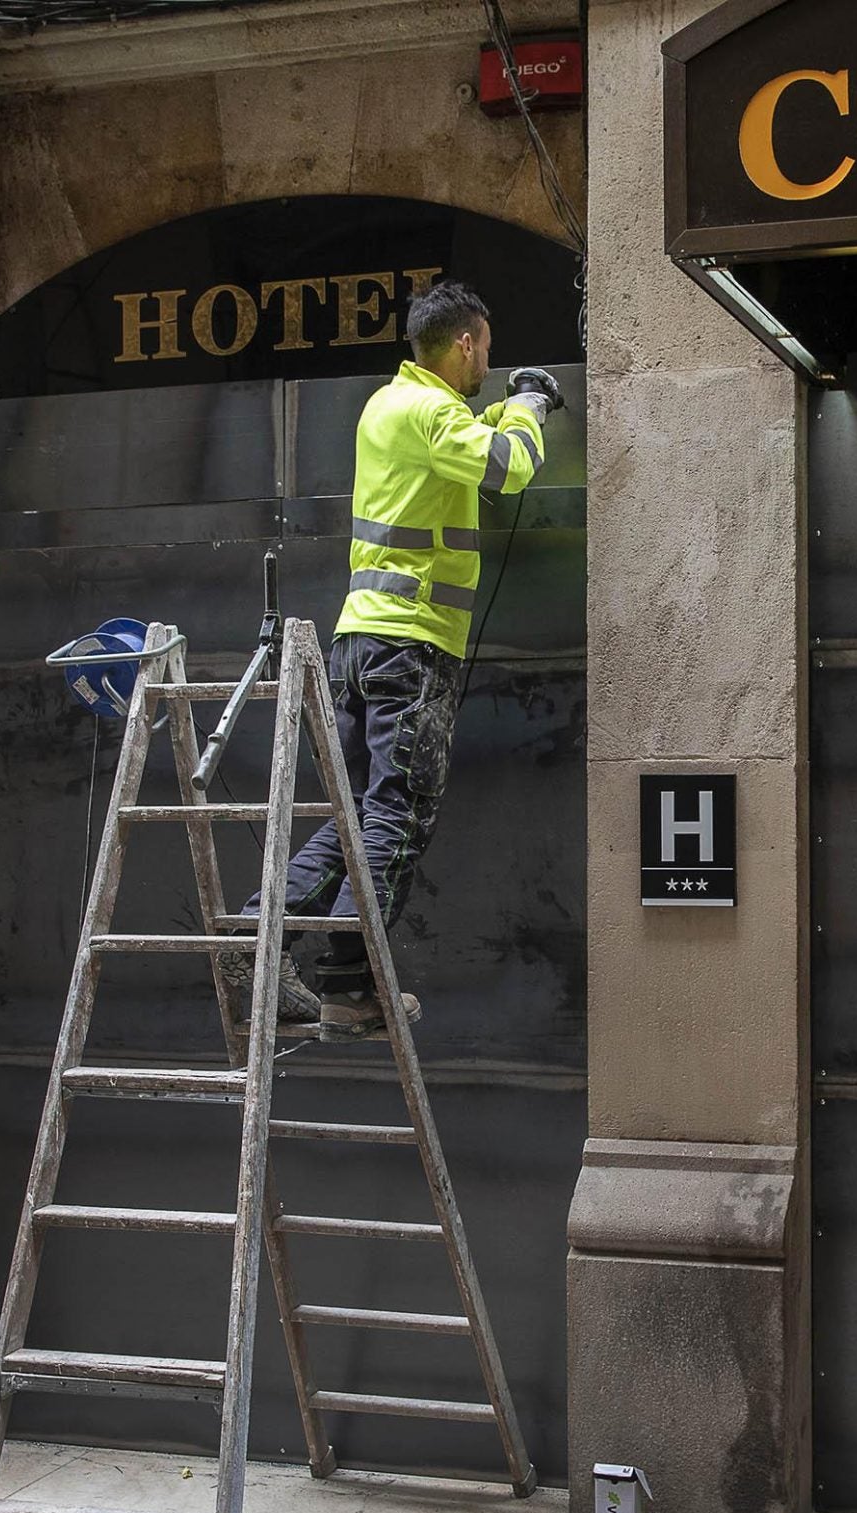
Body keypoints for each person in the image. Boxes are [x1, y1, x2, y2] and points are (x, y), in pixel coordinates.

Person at [227, 278, 563, 1038]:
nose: (488, 362)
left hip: (366, 643)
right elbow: (507, 467)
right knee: (395, 819)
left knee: (356, 819)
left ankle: (321, 975)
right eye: (487, 349)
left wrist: (505, 404)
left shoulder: (392, 406)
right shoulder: (428, 411)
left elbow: (470, 439)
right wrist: (535, 401)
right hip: (408, 648)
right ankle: (280, 947)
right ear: (466, 343)